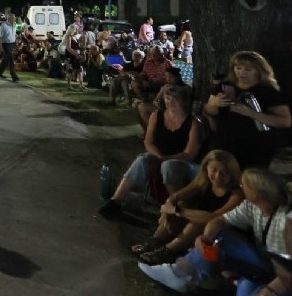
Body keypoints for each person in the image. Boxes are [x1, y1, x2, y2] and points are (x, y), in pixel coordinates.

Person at [139, 168, 292, 296]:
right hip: (264, 262)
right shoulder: (251, 206)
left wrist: (269, 290)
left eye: (244, 185)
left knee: (248, 291)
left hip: (282, 275)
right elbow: (218, 221)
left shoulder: (285, 221)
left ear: (257, 192)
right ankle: (180, 273)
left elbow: (288, 273)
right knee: (219, 236)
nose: (241, 187)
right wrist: (205, 238)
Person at [98, 85, 202, 219]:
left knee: (168, 166)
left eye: (174, 99)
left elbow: (189, 154)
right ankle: (115, 201)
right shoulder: (156, 116)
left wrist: (164, 159)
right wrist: (158, 156)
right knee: (143, 159)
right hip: (160, 156)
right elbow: (148, 141)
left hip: (182, 162)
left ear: (183, 101)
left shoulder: (193, 123)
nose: (170, 102)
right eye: (167, 98)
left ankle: (175, 209)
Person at [131, 150, 243, 265]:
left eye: (224, 172)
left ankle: (169, 251)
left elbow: (213, 218)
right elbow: (175, 197)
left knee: (194, 223)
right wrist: (167, 211)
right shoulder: (203, 181)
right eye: (214, 170)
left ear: (232, 174)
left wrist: (178, 211)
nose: (218, 176)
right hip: (199, 218)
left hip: (217, 230)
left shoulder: (236, 195)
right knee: (181, 204)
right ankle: (155, 242)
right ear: (206, 168)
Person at [203, 51, 290, 168]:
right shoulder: (225, 86)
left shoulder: (268, 92)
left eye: (248, 70)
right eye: (238, 68)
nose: (241, 73)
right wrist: (213, 104)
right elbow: (210, 112)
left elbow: (285, 121)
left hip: (256, 148)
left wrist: (251, 113)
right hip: (225, 144)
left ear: (258, 72)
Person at [0, 13, 19, 82]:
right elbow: (0, 36)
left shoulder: (14, 25)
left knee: (5, 60)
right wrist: (0, 47)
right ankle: (13, 76)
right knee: (11, 60)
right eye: (13, 18)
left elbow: (14, 35)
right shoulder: (4, 25)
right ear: (9, 18)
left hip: (11, 44)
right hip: (5, 44)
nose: (15, 19)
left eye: (15, 18)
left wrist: (16, 44)